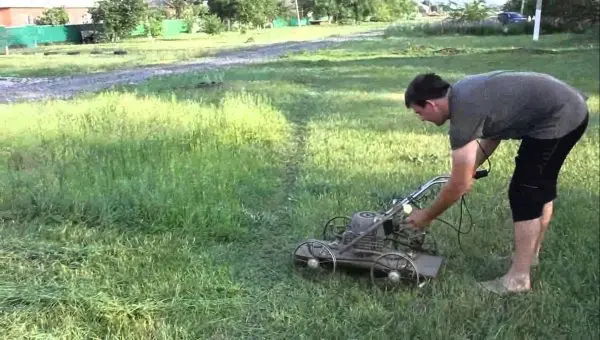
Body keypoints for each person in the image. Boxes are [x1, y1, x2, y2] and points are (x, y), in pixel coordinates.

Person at [403, 71, 589, 295]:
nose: (421, 119)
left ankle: (518, 279)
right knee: (539, 186)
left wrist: (427, 215)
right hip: (568, 107)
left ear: (431, 104)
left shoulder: (464, 114)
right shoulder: (463, 93)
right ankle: (530, 256)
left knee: (525, 191)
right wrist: (468, 170)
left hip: (560, 116)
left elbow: (459, 186)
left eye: (419, 112)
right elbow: (493, 132)